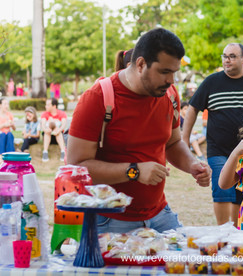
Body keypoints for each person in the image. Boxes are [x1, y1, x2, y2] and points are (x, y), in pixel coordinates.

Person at [67, 28, 211, 234]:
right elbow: (76, 167)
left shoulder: (169, 94)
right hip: (108, 220)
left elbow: (172, 143)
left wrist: (192, 164)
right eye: (164, 72)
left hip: (160, 215)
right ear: (141, 64)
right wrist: (134, 171)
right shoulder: (98, 97)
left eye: (174, 72)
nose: (171, 80)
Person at [182, 43, 243, 226]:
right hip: (219, 149)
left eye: (232, 56)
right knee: (221, 190)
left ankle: (237, 233)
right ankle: (222, 233)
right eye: (225, 56)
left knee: (241, 193)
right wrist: (185, 139)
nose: (227, 60)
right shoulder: (211, 82)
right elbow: (193, 109)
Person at [41, 97, 67, 162]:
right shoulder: (44, 114)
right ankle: (45, 152)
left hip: (58, 136)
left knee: (59, 131)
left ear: (54, 106)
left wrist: (59, 130)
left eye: (48, 105)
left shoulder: (62, 114)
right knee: (47, 132)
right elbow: (43, 124)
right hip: (48, 135)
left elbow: (64, 125)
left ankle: (63, 151)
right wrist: (46, 129)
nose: (46, 106)